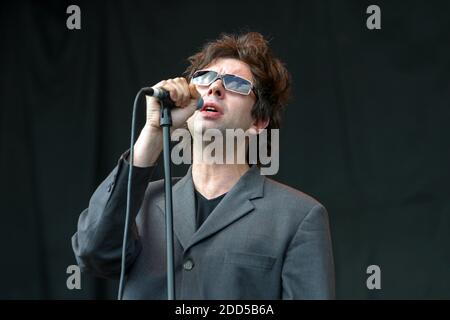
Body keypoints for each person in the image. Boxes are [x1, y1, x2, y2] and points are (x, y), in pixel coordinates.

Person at [72, 32, 335, 299]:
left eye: (235, 83)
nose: (215, 88)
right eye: (204, 78)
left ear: (259, 121)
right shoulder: (140, 201)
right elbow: (94, 253)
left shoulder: (298, 216)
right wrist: (153, 131)